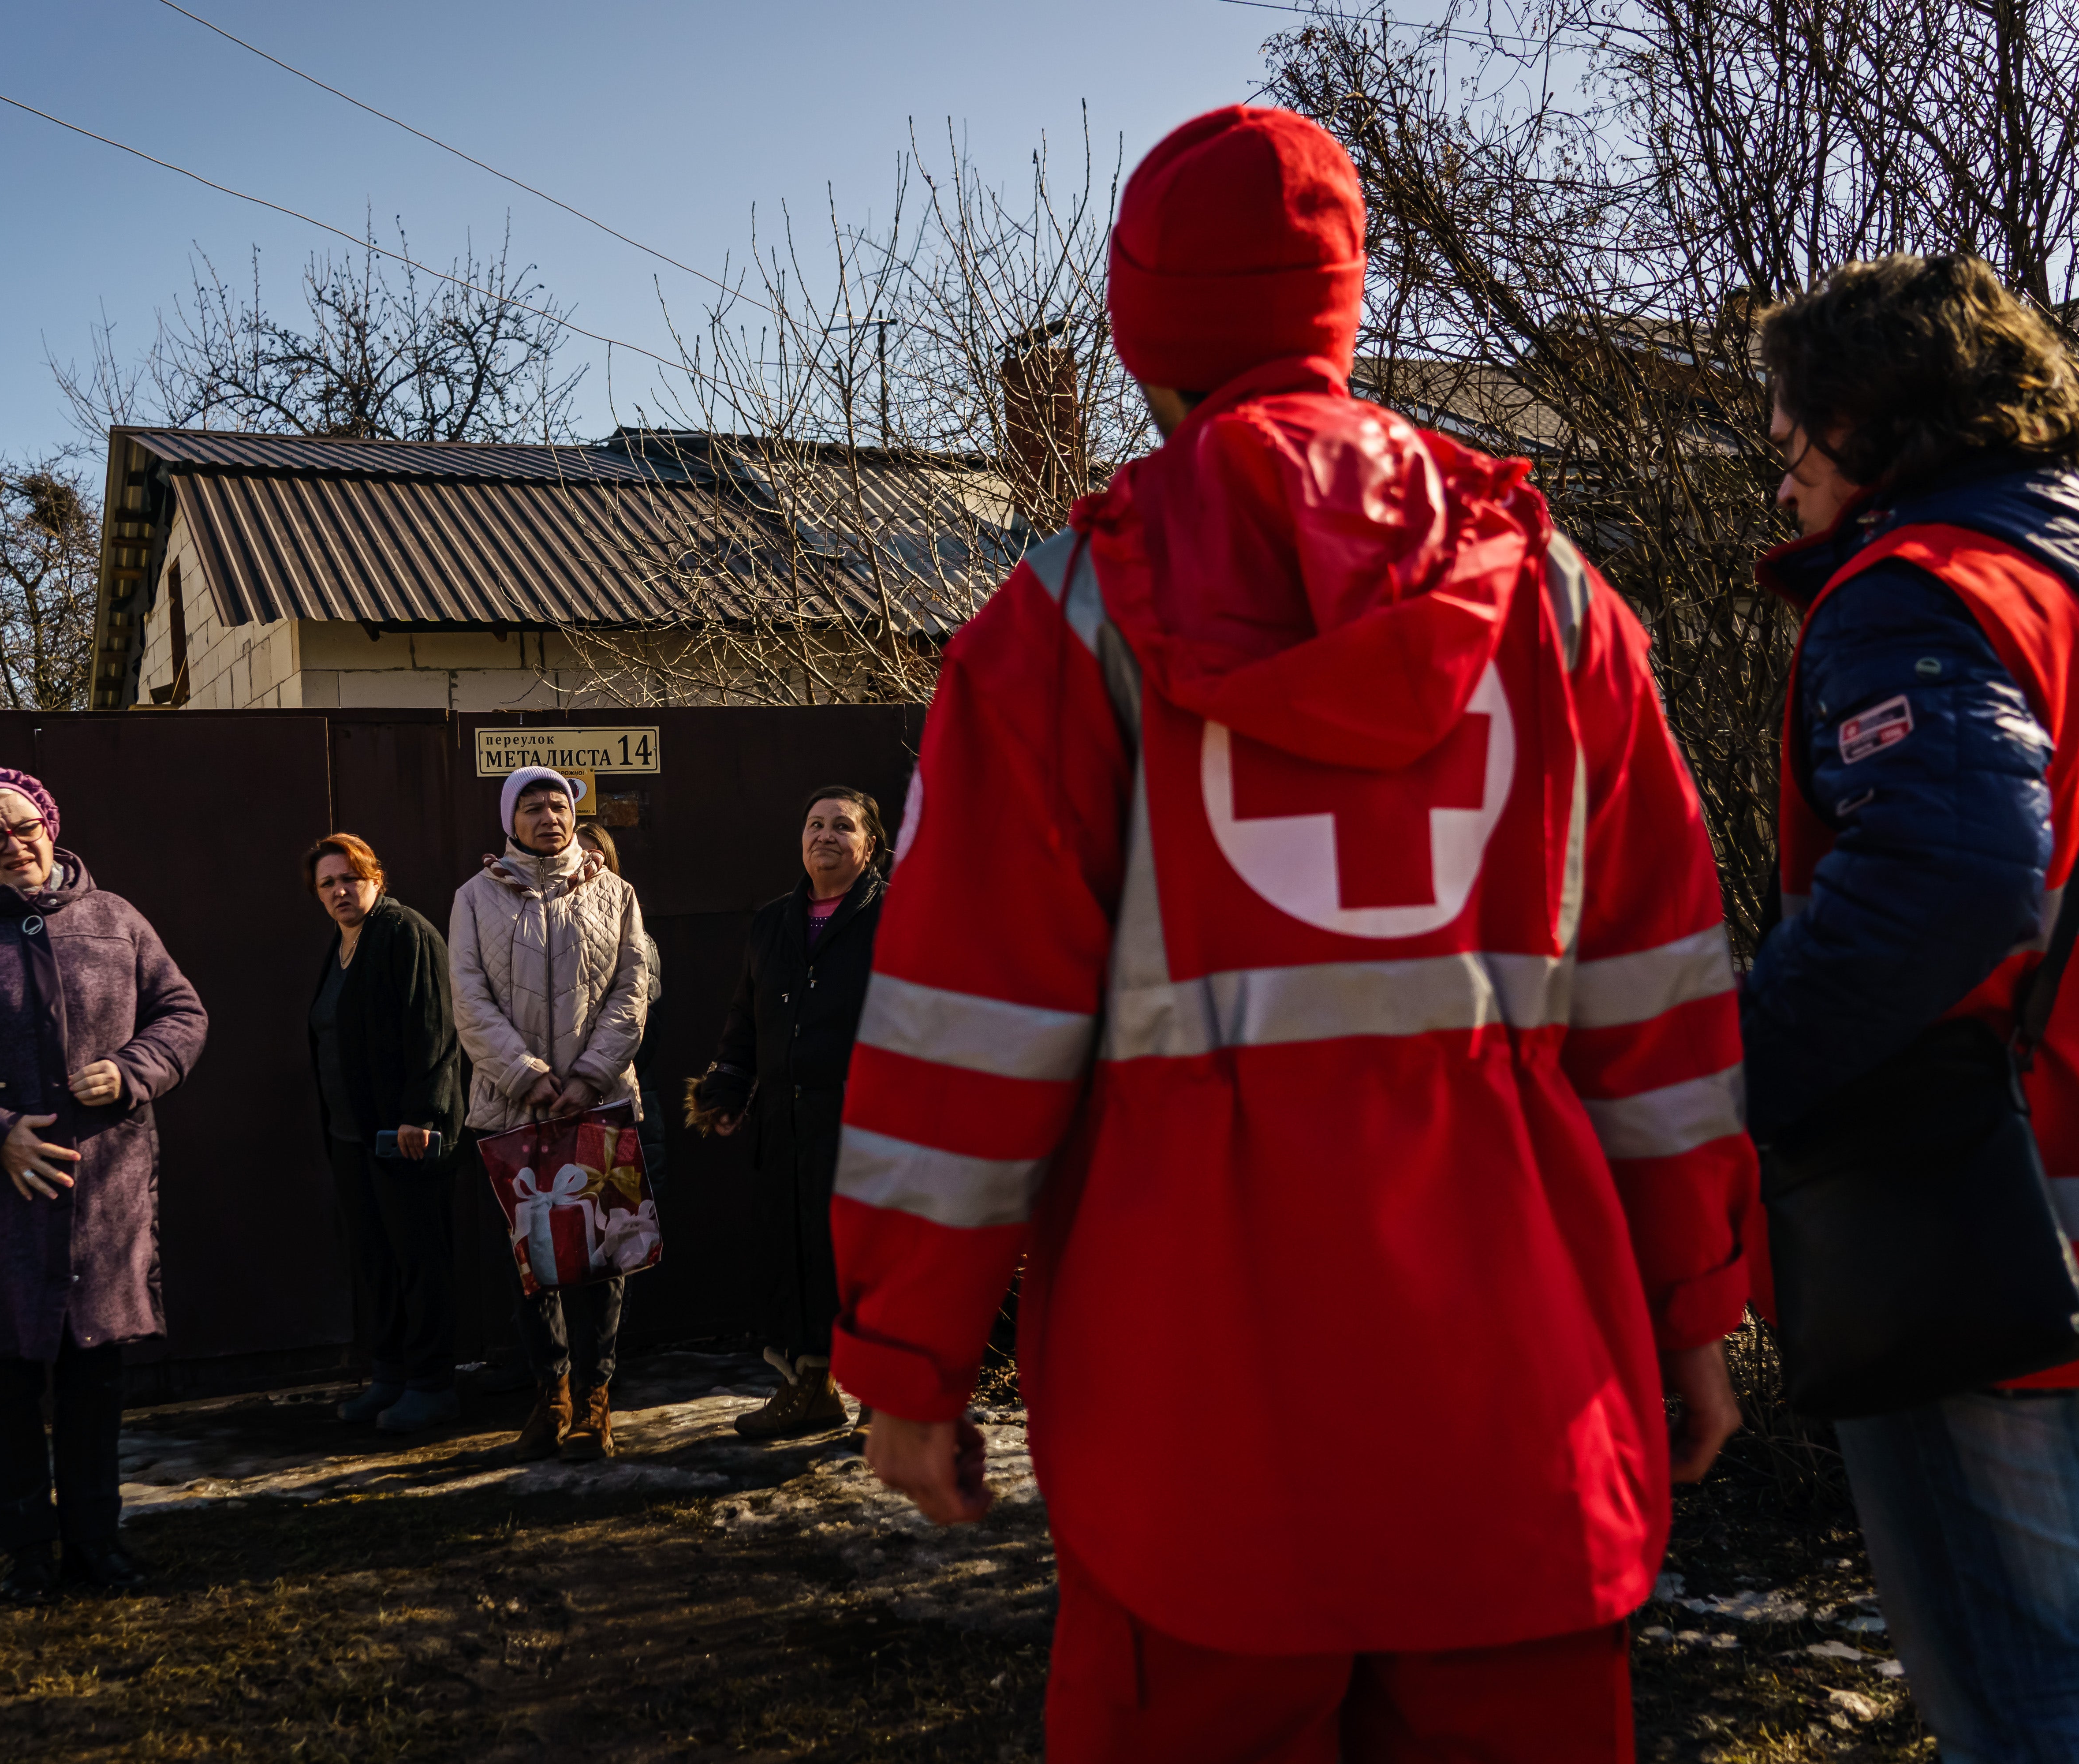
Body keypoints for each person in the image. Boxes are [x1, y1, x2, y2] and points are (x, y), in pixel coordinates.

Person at [832, 107, 1755, 1760]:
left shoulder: (1056, 628)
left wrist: (909, 1354)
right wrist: (1692, 1302)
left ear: (1141, 338)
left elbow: (962, 1033)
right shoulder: (1560, 609)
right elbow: (1662, 1010)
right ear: (1341, 305)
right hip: (1520, 1417)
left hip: (1189, 1437)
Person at [1743, 251, 2079, 1757]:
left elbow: (1950, 873)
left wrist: (1736, 1069)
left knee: (2019, 1686)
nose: (1781, 456)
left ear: (1869, 426)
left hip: (1990, 1227)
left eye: (1793, 421)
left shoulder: (1916, 597)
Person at [0, 768, 208, 1604]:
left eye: (25, 827)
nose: (14, 845)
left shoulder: (115, 919)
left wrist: (133, 1073)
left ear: (51, 828)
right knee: (7, 1384)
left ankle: (97, 1543)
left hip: (105, 1197)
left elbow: (183, 1014)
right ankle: (26, 1551)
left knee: (96, 1381)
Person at [451, 766, 652, 1462]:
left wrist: (590, 1075)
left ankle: (597, 1402)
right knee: (533, 1264)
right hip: (515, 1112)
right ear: (511, 820)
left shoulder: (616, 894)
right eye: (532, 806)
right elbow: (469, 1002)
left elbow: (633, 991)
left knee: (606, 1259)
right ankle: (553, 1395)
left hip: (599, 1105)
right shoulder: (474, 899)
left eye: (559, 804)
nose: (549, 816)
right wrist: (530, 1077)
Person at [690, 787, 888, 1439]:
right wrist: (725, 1089)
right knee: (797, 1259)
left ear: (870, 845)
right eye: (814, 824)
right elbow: (746, 1021)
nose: (825, 835)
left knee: (871, 1263)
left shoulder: (899, 915)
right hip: (788, 1127)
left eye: (842, 826)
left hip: (870, 1129)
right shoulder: (773, 923)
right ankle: (810, 1389)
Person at [305, 831, 465, 1435]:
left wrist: (421, 1115)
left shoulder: (404, 933)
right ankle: (391, 1375)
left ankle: (432, 1384)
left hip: (404, 1135)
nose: (341, 890)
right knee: (377, 1260)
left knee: (419, 1259)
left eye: (352, 877)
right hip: (353, 1136)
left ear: (376, 879)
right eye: (328, 883)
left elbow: (434, 1030)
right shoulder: (343, 945)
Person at [575, 821, 668, 1195]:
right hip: (565, 1109)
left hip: (621, 1105)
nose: (581, 865)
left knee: (626, 1230)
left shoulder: (633, 936)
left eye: (591, 855)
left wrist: (591, 1078)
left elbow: (644, 1028)